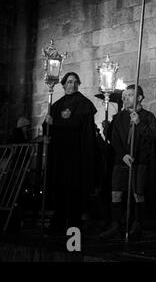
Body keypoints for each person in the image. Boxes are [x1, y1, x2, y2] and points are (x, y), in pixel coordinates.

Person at [99, 84, 156, 240]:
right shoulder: (118, 117)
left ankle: (137, 224)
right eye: (124, 96)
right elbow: (115, 138)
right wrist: (123, 154)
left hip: (140, 161)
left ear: (139, 98)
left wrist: (139, 123)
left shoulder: (148, 116)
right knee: (116, 193)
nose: (125, 98)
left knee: (137, 193)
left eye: (130, 95)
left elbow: (151, 137)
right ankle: (116, 224)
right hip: (122, 160)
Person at [44, 72, 97, 234]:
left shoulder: (83, 103)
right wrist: (47, 131)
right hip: (60, 155)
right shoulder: (57, 104)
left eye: (75, 82)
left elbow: (75, 126)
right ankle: (58, 221)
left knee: (73, 189)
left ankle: (74, 225)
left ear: (78, 84)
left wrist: (56, 123)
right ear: (63, 84)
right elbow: (47, 124)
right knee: (59, 187)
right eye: (69, 82)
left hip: (76, 155)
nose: (72, 85)